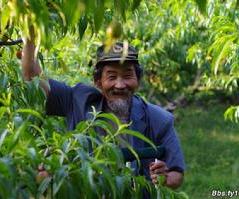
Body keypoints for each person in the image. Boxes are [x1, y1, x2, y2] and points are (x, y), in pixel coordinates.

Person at [22, 31, 185, 190]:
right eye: (112, 77)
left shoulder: (158, 119)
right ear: (98, 81)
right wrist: (30, 31)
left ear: (138, 79)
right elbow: (33, 79)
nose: (120, 85)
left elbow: (177, 174)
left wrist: (164, 177)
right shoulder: (78, 100)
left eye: (128, 76)